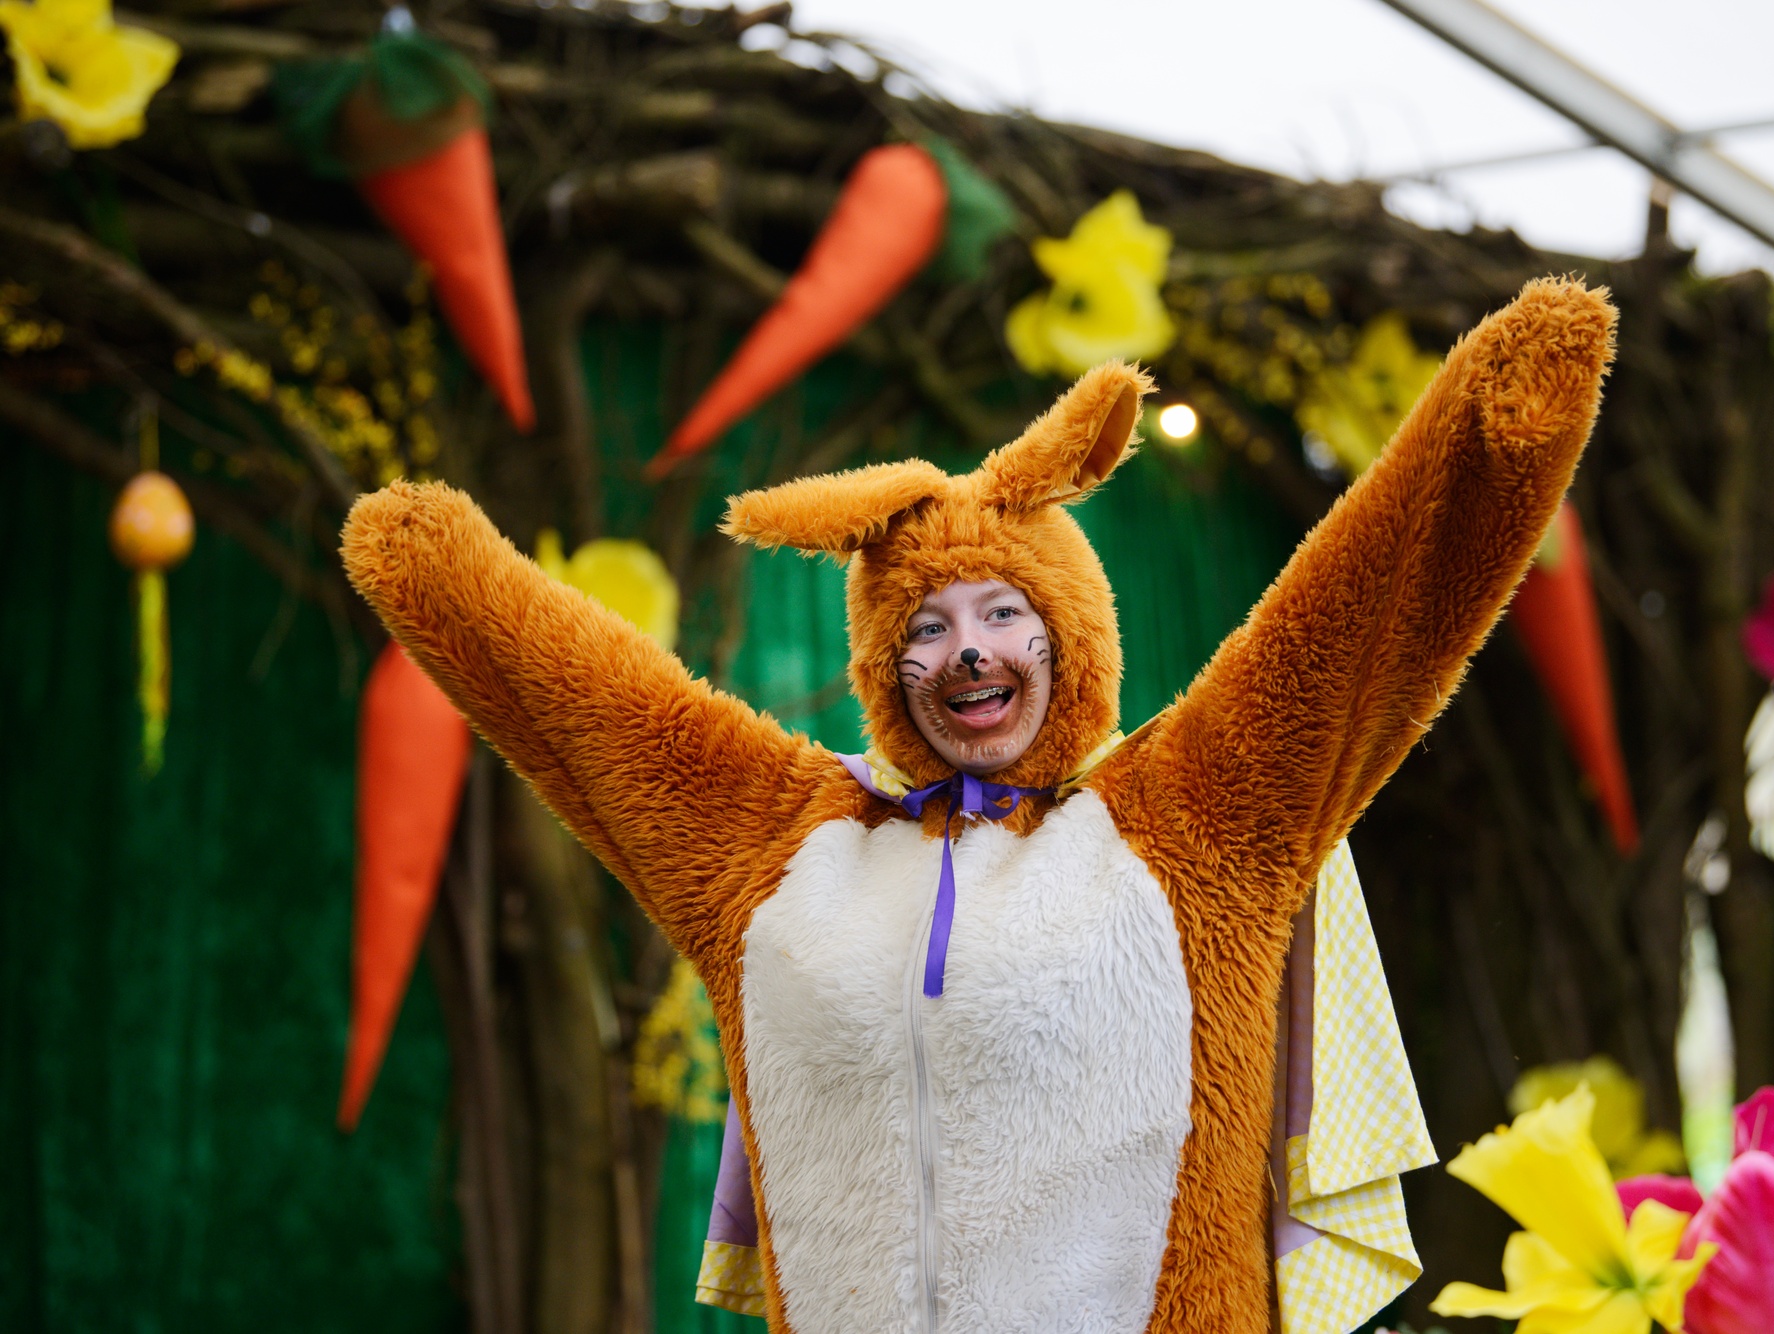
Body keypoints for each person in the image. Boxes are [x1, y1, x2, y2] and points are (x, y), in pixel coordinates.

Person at [342, 277, 1615, 1334]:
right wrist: (445, 577)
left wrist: (1488, 428)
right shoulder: (789, 846)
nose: (966, 651)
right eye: (924, 624)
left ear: (1071, 624)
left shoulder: (1190, 817)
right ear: (878, 659)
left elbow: (1350, 627)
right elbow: (611, 718)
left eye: (1003, 610)